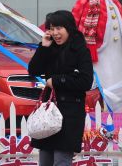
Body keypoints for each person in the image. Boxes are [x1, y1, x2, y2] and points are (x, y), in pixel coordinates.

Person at [28, 10, 93, 166]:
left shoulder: (80, 49)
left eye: (59, 28)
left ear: (68, 28)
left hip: (69, 115)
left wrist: (56, 80)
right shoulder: (49, 47)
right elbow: (33, 70)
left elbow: (86, 81)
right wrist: (43, 47)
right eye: (52, 28)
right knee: (45, 161)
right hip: (48, 114)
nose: (55, 33)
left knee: (61, 161)